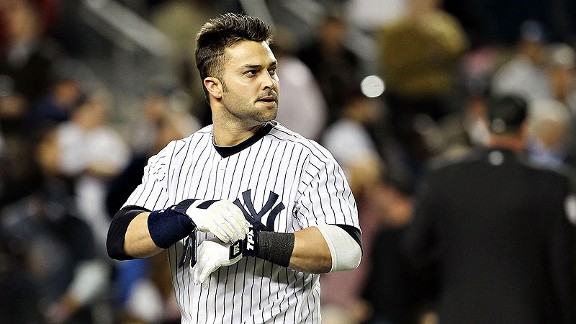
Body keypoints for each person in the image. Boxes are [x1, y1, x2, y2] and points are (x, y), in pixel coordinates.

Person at [106, 13, 362, 323]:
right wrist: (187, 214)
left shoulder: (308, 158)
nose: (268, 82)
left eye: (271, 70)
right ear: (214, 86)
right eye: (251, 73)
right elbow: (120, 238)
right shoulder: (175, 158)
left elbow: (346, 248)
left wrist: (250, 241)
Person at [403, 94, 576, 323]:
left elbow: (414, 248)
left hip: (459, 313)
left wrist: (448, 286)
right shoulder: (551, 184)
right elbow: (563, 262)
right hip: (526, 315)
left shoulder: (442, 178)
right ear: (525, 129)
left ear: (485, 125)